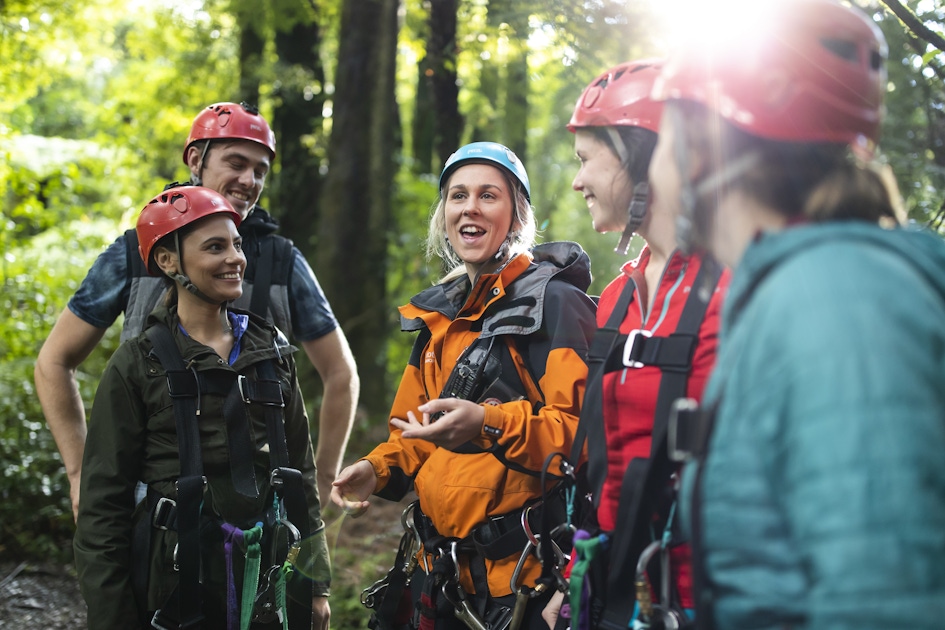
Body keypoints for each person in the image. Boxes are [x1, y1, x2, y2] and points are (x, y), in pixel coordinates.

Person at [646, 1, 945, 628]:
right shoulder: (802, 287)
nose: (655, 169)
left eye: (663, 141)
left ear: (698, 152)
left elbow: (883, 601)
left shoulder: (835, 304)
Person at [35, 102, 358, 518]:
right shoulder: (137, 253)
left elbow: (341, 373)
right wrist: (81, 473)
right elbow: (54, 361)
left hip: (257, 507)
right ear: (194, 160)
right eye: (236, 163)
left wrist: (321, 479)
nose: (249, 180)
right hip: (149, 501)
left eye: (260, 170)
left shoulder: (281, 262)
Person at [332, 142, 597, 629]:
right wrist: (375, 469)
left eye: (488, 195)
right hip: (438, 574)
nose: (470, 207)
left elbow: (581, 436)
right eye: (458, 195)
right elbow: (413, 431)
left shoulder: (556, 304)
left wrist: (487, 423)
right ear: (444, 214)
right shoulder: (439, 317)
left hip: (524, 583)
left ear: (517, 216)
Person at [73, 186, 331, 629]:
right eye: (215, 247)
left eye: (237, 244)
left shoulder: (271, 353)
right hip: (171, 589)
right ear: (168, 261)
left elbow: (300, 477)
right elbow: (103, 508)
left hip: (266, 588)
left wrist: (316, 586)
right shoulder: (138, 365)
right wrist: (112, 617)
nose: (235, 258)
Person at [542, 60, 729, 630]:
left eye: (586, 160)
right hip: (609, 589)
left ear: (642, 156)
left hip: (705, 600)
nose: (577, 182)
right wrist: (577, 578)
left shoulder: (735, 288)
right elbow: (609, 465)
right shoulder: (618, 296)